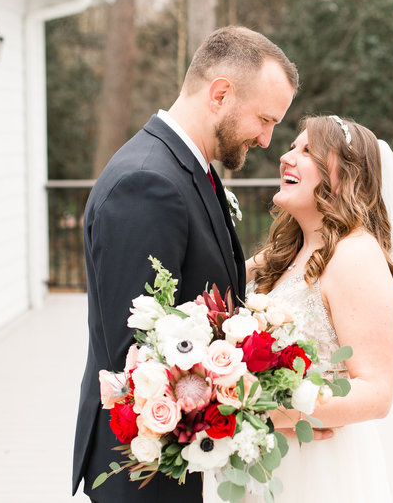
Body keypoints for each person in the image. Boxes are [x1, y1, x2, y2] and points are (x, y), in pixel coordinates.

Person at [72, 26, 298, 502]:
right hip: (147, 471)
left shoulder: (186, 169)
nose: (266, 138)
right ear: (220, 94)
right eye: (264, 119)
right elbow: (137, 354)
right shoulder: (146, 183)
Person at [241, 115, 393, 502]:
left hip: (316, 467)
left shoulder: (356, 255)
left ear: (344, 177)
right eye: (292, 147)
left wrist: (264, 412)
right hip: (265, 459)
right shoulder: (284, 254)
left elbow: (376, 393)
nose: (286, 158)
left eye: (307, 151)